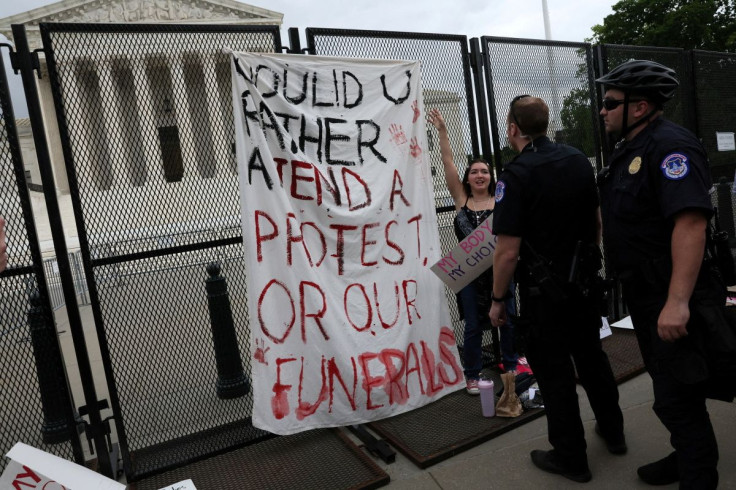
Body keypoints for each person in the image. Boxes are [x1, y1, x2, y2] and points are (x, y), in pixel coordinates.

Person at [596, 59, 730, 488]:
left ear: (639, 107)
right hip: (646, 292)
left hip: (672, 293)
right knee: (673, 389)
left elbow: (690, 223)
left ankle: (697, 476)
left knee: (677, 396)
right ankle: (685, 456)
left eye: (611, 102)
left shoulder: (671, 146)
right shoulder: (631, 148)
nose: (602, 109)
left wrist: (676, 303)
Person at [488, 95, 625, 483]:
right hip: (582, 285)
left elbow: (507, 252)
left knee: (555, 374)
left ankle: (571, 457)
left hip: (543, 295)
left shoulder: (515, 175)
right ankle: (613, 432)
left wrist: (498, 301)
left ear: (513, 128)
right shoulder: (577, 160)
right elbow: (595, 222)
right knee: (592, 358)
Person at [428, 109, 518, 395]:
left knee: (508, 318)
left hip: (499, 271)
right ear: (467, 178)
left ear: (491, 177)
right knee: (472, 327)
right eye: (474, 171)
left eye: (484, 171)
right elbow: (447, 162)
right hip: (468, 275)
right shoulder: (461, 199)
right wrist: (443, 131)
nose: (479, 175)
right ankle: (473, 373)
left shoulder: (501, 200)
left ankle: (511, 366)